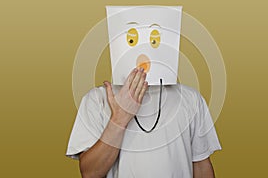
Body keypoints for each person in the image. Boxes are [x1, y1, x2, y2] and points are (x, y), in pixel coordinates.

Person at [66, 67, 222, 178]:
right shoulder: (97, 99)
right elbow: (90, 173)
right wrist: (119, 118)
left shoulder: (190, 99)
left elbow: (201, 167)